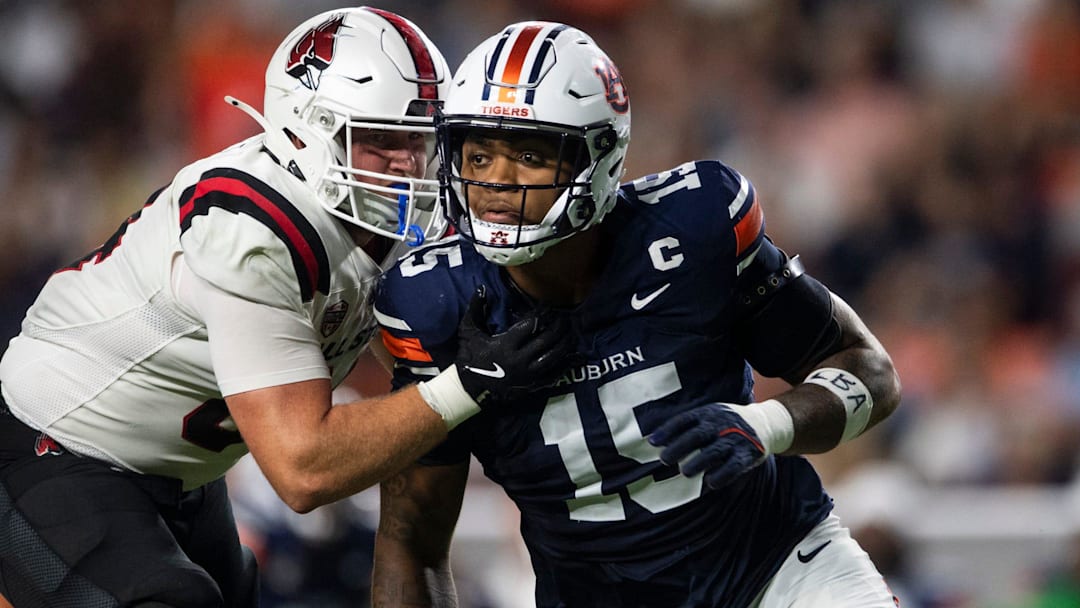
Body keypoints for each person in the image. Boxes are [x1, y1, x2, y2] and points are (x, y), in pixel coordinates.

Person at [0, 8, 571, 607]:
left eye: (422, 137)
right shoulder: (250, 229)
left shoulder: (387, 218)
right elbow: (304, 469)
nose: (410, 162)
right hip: (54, 447)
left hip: (177, 473)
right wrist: (471, 385)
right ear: (305, 132)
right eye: (380, 139)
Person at [371, 21, 904, 608]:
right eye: (479, 152)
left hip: (779, 570)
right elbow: (411, 541)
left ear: (598, 157)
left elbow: (871, 373)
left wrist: (766, 426)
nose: (497, 180)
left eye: (528, 154)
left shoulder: (694, 229)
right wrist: (460, 387)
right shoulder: (431, 301)